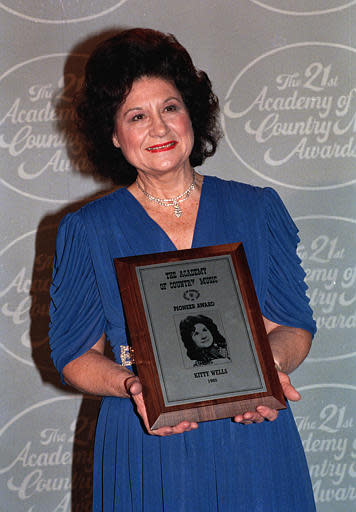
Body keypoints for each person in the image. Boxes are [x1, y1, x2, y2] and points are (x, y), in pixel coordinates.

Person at [49, 28, 317, 511]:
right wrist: (134, 385)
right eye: (137, 115)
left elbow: (292, 326)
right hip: (145, 439)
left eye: (170, 107)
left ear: (191, 114)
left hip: (253, 441)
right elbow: (74, 354)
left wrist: (265, 371)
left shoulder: (257, 209)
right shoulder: (87, 230)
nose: (159, 128)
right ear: (113, 134)